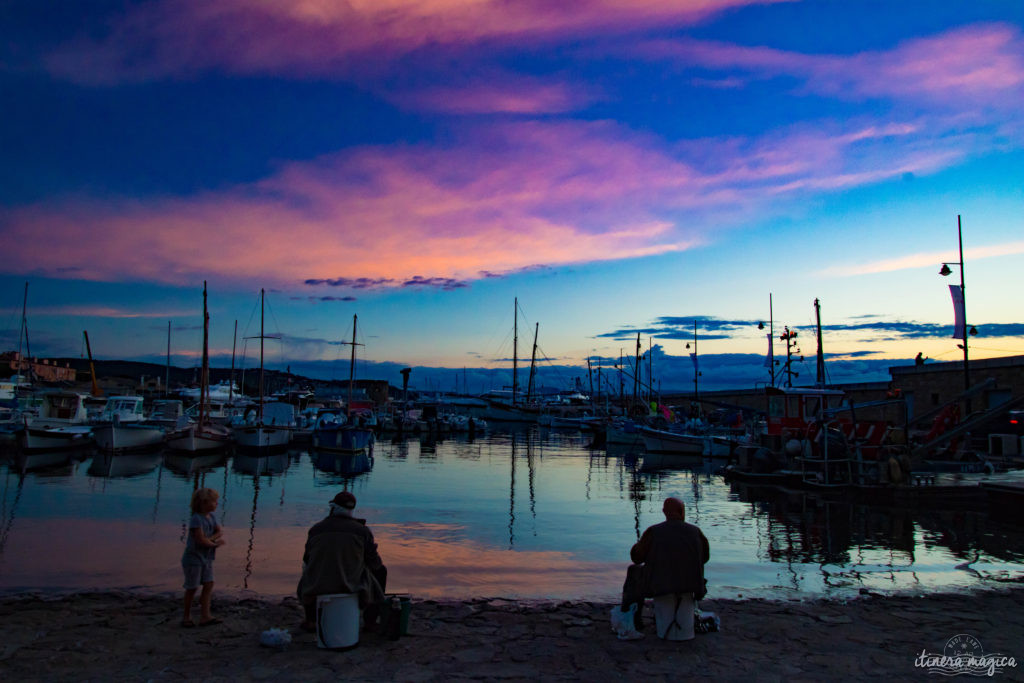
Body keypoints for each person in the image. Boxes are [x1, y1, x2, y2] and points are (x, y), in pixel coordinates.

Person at [297, 491, 387, 633]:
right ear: (351, 510)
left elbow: (307, 558)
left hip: (316, 585)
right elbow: (375, 563)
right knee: (381, 571)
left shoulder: (315, 529)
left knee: (309, 569)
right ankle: (370, 622)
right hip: (350, 584)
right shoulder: (362, 531)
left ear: (332, 508)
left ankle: (311, 620)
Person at [620, 497, 709, 636]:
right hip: (692, 585)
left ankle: (632, 618)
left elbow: (636, 558)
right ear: (682, 512)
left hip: (659, 585)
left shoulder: (653, 532)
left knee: (634, 571)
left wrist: (641, 546)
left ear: (664, 512)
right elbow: (705, 558)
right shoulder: (696, 532)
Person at [181, 487, 225, 628]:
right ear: (204, 503)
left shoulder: (211, 517)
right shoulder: (196, 519)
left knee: (208, 584)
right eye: (214, 501)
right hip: (193, 558)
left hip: (207, 558)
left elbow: (218, 531)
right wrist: (214, 544)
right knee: (192, 587)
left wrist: (211, 540)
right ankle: (186, 617)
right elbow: (200, 540)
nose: (216, 504)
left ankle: (205, 616)